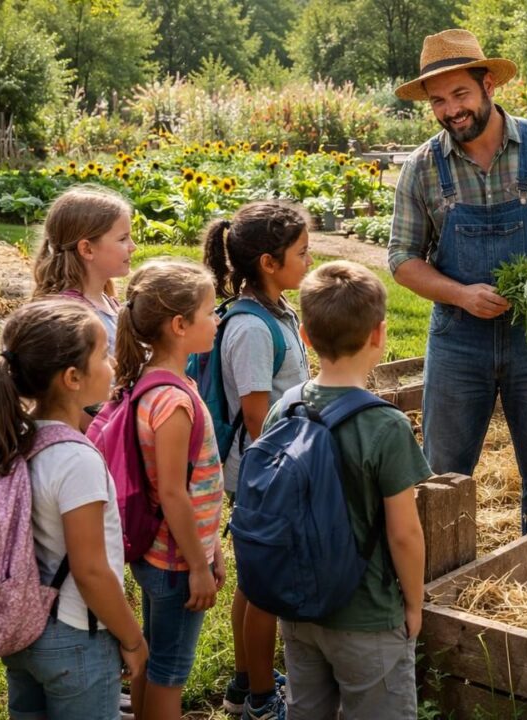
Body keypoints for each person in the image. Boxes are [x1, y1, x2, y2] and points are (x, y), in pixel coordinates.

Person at [388, 29, 527, 533]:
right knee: (442, 476)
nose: (450, 110)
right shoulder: (423, 167)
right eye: (438, 101)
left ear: (488, 84)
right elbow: (401, 257)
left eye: (460, 94)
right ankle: (439, 590)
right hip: (459, 340)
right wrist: (460, 294)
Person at [0, 300, 147, 719]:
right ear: (72, 378)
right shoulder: (75, 459)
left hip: (24, 630)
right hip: (75, 637)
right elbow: (90, 570)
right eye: (103, 354)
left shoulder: (16, 440)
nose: (112, 361)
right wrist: (133, 638)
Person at [267, 261, 430, 720]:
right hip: (368, 616)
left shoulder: (287, 406)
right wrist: (414, 605)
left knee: (306, 709)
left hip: (298, 608)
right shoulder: (385, 425)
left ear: (304, 335)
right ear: (379, 334)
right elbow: (404, 534)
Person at [202, 201, 312, 719]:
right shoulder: (249, 327)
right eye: (301, 252)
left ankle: (246, 681)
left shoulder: (278, 311)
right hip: (266, 472)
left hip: (275, 467)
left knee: (254, 581)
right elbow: (256, 418)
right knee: (265, 588)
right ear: (269, 263)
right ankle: (263, 700)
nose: (309, 259)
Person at [113, 261, 226, 720]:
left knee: (153, 661)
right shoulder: (175, 401)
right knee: (170, 673)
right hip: (176, 562)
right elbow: (175, 493)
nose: (217, 320)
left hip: (158, 552)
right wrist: (198, 565)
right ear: (180, 326)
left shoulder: (153, 383)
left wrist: (211, 543)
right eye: (210, 312)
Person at [33, 186, 137, 354]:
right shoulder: (71, 320)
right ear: (87, 249)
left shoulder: (108, 303)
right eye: (123, 238)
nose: (133, 247)